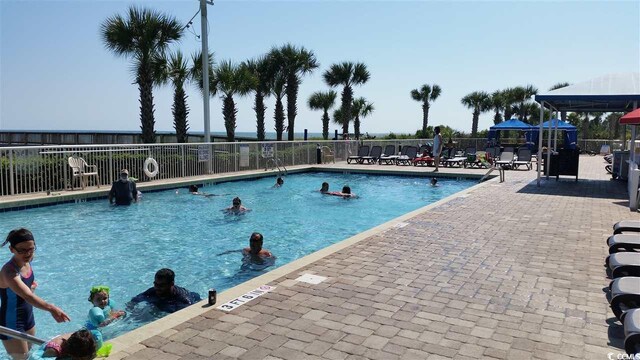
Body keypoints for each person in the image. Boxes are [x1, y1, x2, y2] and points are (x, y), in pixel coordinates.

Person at [0, 228, 70, 359]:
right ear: (11, 249)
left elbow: (23, 292)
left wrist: (30, 287)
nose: (27, 254)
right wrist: (51, 308)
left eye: (31, 249)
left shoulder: (27, 262)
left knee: (31, 355)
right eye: (22, 250)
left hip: (28, 317)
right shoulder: (9, 271)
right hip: (11, 322)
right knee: (22, 358)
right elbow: (27, 296)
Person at [129, 269, 201, 314]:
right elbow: (134, 301)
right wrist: (132, 309)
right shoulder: (152, 291)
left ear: (171, 284)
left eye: (161, 285)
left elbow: (188, 314)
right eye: (155, 284)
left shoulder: (183, 299)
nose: (157, 287)